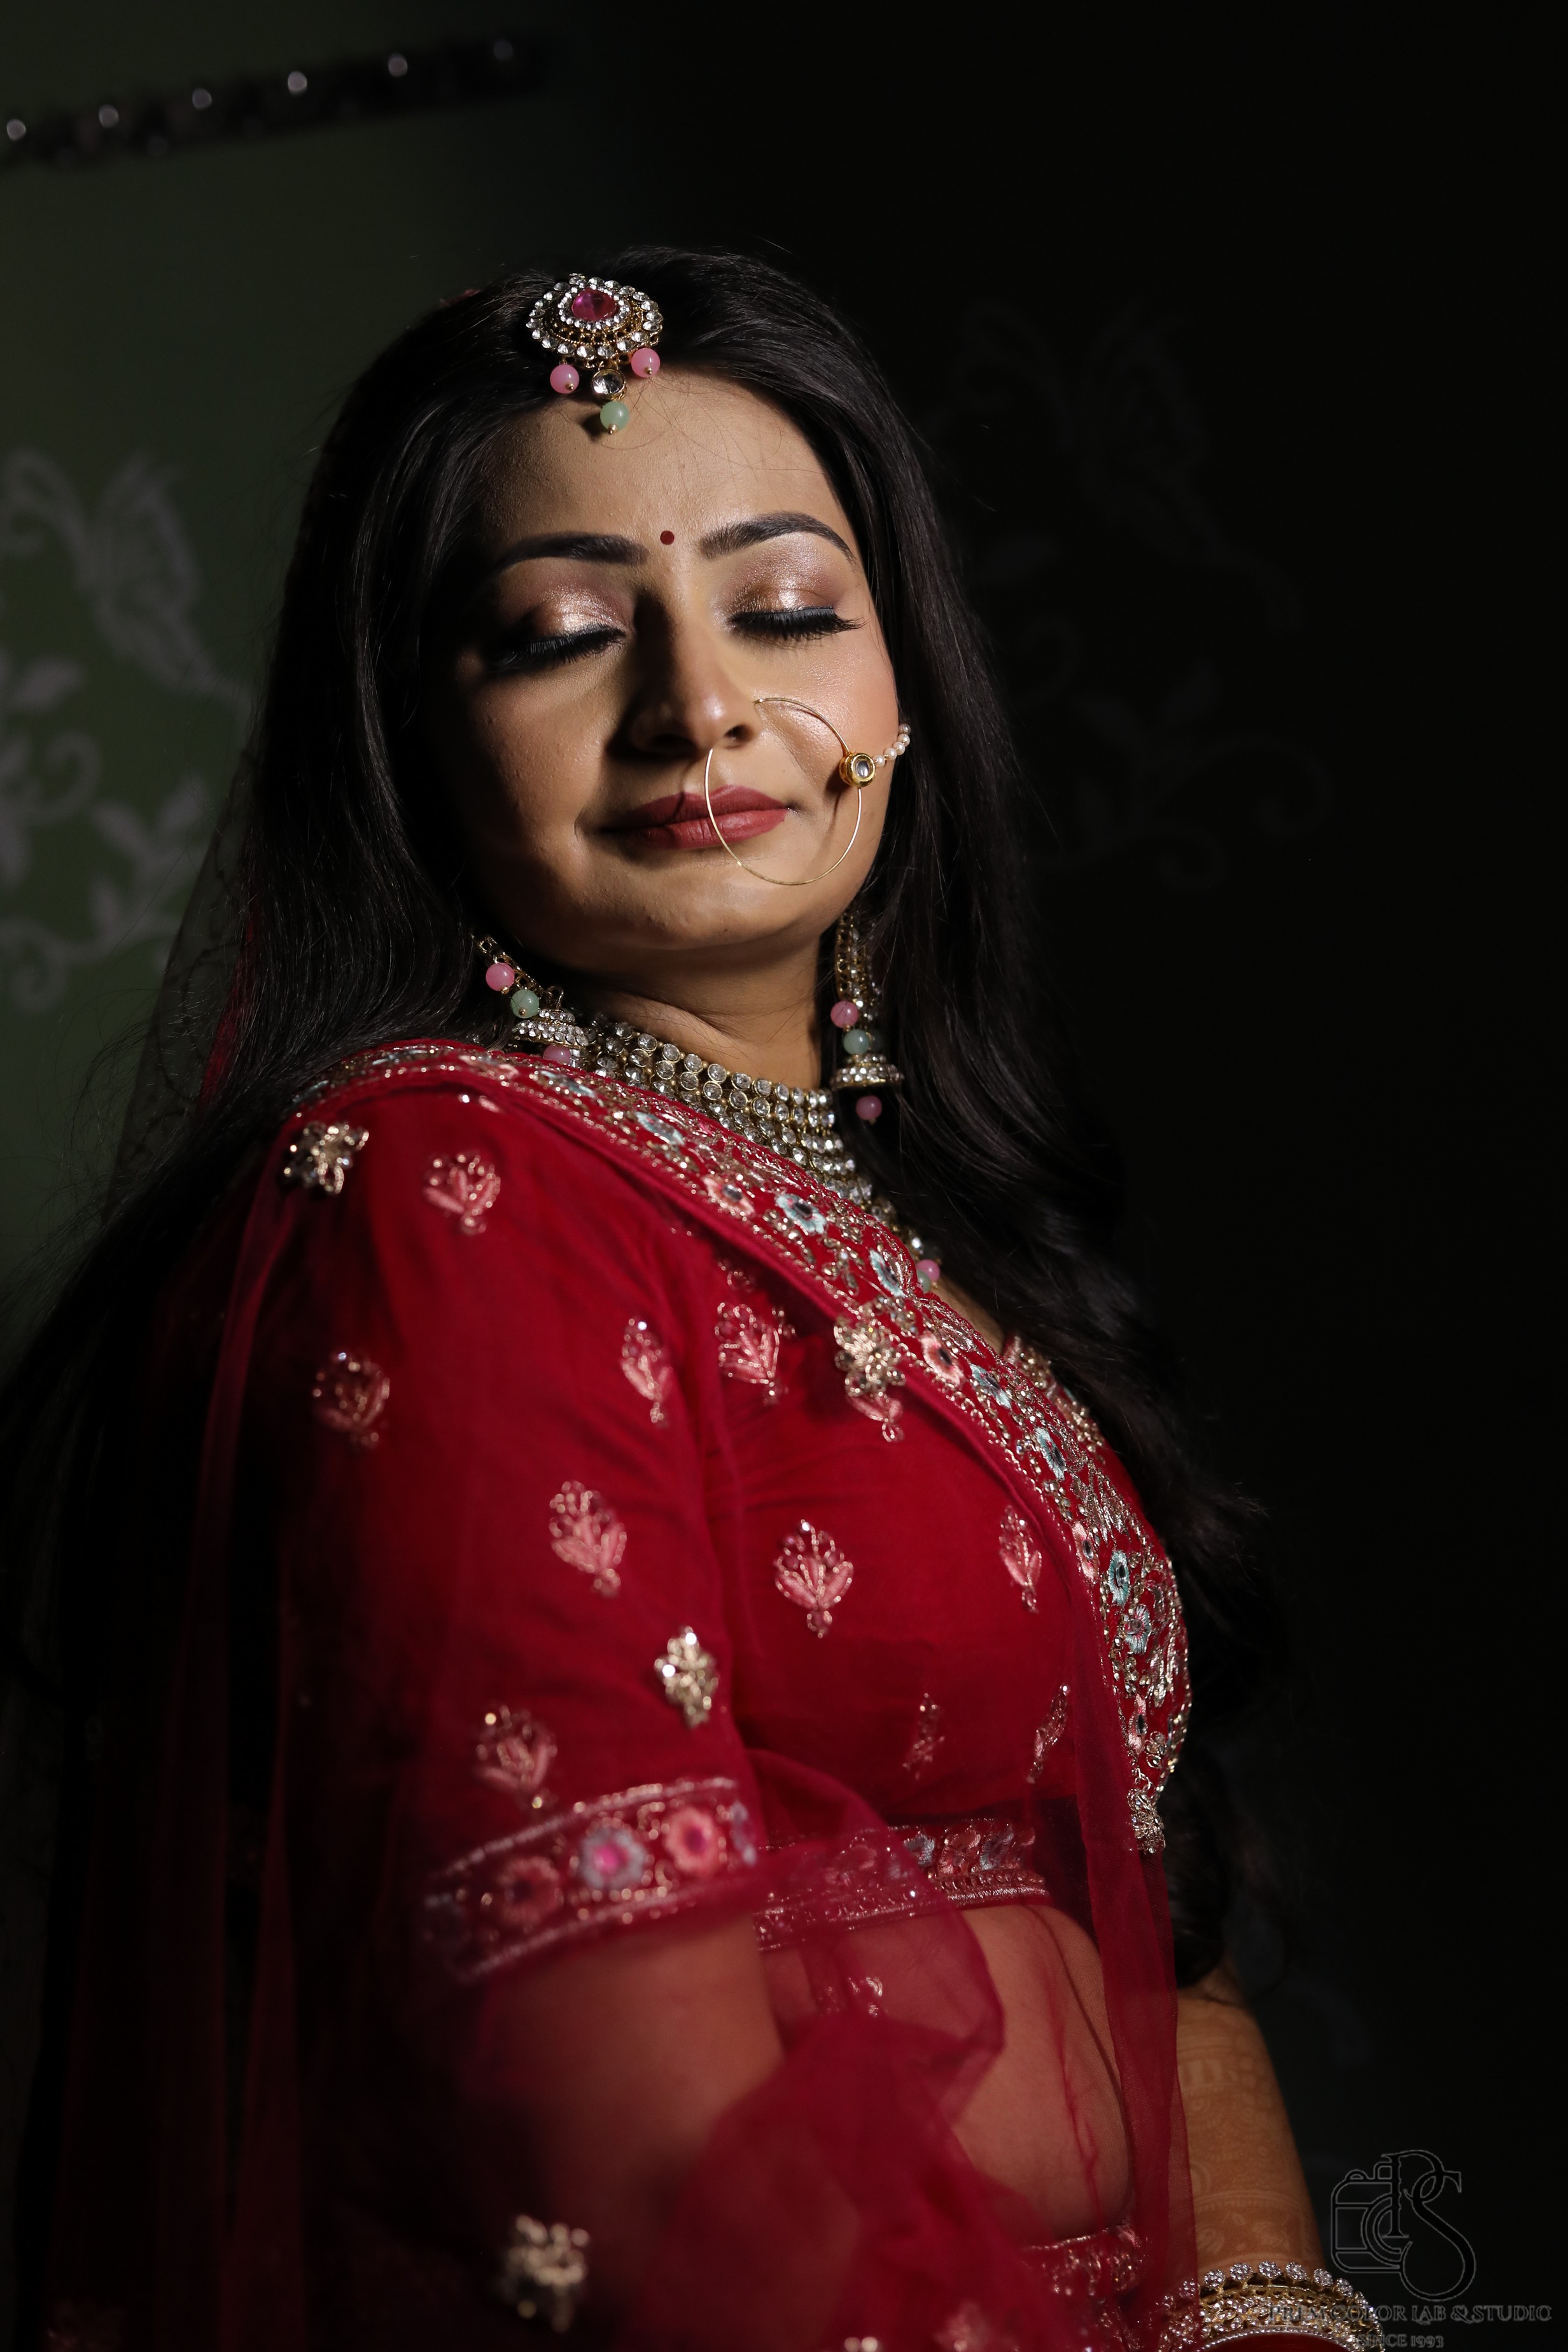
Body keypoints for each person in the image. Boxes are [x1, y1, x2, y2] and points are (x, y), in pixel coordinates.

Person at [0, 251, 1378, 2352]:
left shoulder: (939, 1223)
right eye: (560, 636)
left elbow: (1157, 1921)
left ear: (903, 692)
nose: (698, 704)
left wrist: (1269, 2319)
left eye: (789, 607)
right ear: (415, 744)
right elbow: (619, 2118)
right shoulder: (448, 1197)